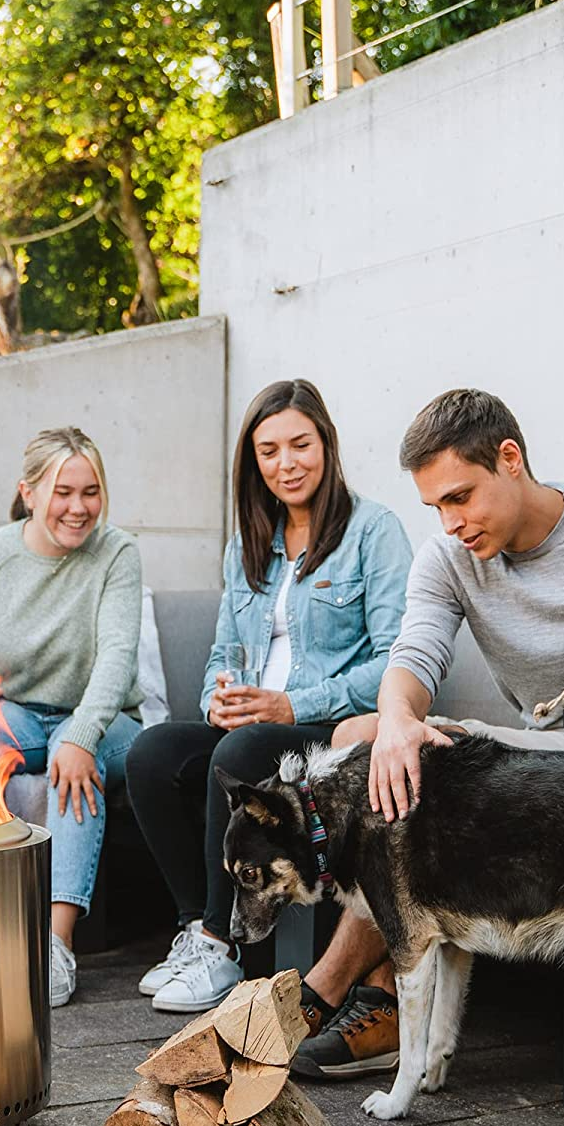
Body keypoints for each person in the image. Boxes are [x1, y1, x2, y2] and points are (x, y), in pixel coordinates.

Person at [291, 387, 564, 1081]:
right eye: (436, 507)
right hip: (538, 757)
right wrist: (399, 721)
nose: (451, 522)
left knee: (405, 770)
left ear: (510, 459)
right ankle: (383, 995)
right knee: (364, 737)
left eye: (461, 497)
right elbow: (413, 656)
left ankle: (333, 990)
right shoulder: (450, 556)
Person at [125, 379, 413, 1014]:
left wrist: (291, 706)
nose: (287, 464)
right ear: (252, 461)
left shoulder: (374, 531)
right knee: (151, 753)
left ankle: (219, 946)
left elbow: (398, 658)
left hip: (328, 727)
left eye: (300, 445)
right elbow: (225, 651)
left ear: (327, 445)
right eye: (269, 451)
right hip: (252, 721)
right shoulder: (248, 544)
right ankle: (195, 932)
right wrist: (214, 699)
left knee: (247, 744)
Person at [0, 427, 143, 1008]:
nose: (79, 508)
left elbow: (115, 658)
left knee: (67, 760)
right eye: (63, 492)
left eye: (91, 491)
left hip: (108, 722)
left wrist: (80, 736)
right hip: (22, 713)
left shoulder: (118, 553)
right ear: (28, 493)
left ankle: (54, 948)